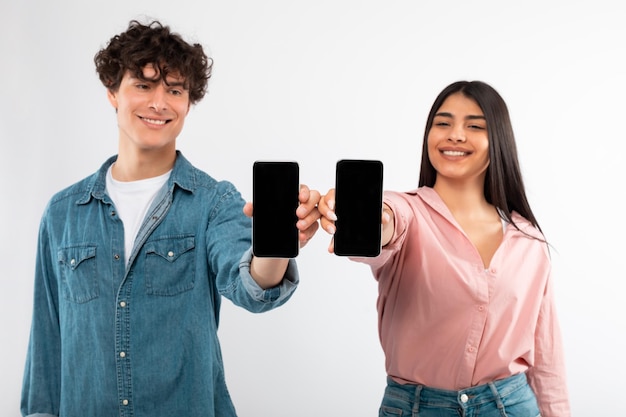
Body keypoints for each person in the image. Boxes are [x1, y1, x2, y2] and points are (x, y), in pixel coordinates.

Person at [20, 20, 321, 417]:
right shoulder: (62, 213)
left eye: (175, 90)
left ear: (188, 101)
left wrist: (278, 243)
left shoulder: (213, 201)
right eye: (144, 85)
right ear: (112, 91)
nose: (159, 103)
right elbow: (47, 340)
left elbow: (250, 286)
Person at [318, 81, 570, 416]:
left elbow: (546, 357)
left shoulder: (528, 241)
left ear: (499, 140)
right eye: (443, 123)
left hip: (511, 406)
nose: (455, 134)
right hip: (415, 408)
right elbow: (388, 225)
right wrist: (371, 221)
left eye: (474, 126)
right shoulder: (407, 212)